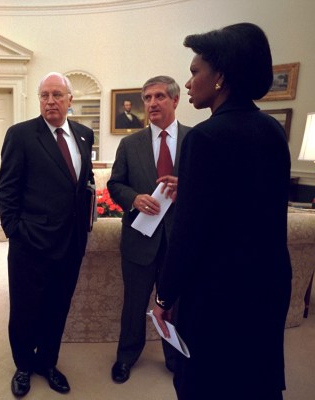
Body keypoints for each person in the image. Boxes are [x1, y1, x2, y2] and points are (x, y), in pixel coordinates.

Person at [152, 23, 291, 400]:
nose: (189, 81)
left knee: (207, 382)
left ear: (220, 77)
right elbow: (252, 203)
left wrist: (164, 297)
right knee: (254, 380)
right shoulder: (272, 130)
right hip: (267, 283)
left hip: (218, 292)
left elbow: (188, 233)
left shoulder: (204, 137)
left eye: (195, 71)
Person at [0, 72, 95, 397]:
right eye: (44, 95)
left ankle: (48, 363)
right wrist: (15, 231)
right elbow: (6, 189)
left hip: (71, 243)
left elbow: (82, 184)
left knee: (57, 307)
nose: (50, 101)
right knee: (25, 310)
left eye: (57, 95)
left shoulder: (84, 135)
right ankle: (24, 366)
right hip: (30, 243)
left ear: (70, 100)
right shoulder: (21, 135)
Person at [107, 76, 191, 383]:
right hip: (139, 239)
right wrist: (134, 199)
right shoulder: (130, 144)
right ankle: (126, 356)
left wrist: (186, 187)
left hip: (180, 240)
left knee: (176, 304)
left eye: (159, 96)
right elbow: (115, 184)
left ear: (175, 100)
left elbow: (211, 186)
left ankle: (175, 357)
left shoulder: (195, 140)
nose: (152, 103)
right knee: (134, 303)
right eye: (147, 98)